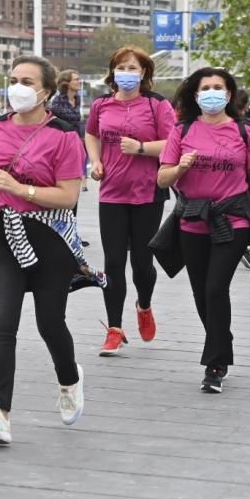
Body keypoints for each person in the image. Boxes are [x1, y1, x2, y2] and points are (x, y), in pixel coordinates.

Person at [0, 55, 95, 445]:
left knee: (49, 323)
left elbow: (68, 195)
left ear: (45, 90)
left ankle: (69, 378)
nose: (17, 88)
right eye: (13, 79)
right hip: (5, 234)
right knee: (2, 322)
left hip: (50, 238)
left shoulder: (63, 135)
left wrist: (19, 189)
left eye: (26, 81)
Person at [157, 68, 250, 393]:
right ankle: (222, 338)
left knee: (215, 289)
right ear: (196, 96)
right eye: (205, 87)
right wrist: (180, 168)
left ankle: (215, 364)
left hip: (232, 220)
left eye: (218, 87)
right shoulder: (182, 130)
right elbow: (162, 179)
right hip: (192, 220)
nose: (211, 92)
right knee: (200, 292)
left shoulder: (243, 131)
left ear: (229, 94)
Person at [85, 47, 175, 355]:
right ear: (112, 72)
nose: (126, 72)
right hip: (111, 192)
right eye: (120, 67)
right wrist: (95, 161)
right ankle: (114, 328)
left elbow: (172, 145)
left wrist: (140, 147)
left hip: (146, 192)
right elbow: (91, 134)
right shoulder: (101, 105)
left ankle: (144, 305)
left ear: (144, 73)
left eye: (132, 68)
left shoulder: (157, 105)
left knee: (141, 263)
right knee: (113, 263)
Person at [50, 69, 91, 242]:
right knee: (64, 192)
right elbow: (61, 121)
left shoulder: (77, 99)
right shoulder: (58, 101)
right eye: (76, 79)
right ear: (66, 82)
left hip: (77, 145)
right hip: (62, 146)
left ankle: (72, 233)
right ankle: (62, 234)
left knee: (74, 192)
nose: (79, 82)